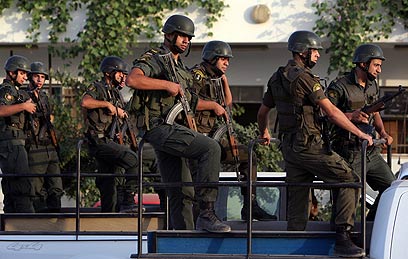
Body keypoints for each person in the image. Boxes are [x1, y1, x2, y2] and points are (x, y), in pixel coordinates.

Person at [256, 30, 373, 257]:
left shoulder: (276, 77)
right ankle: (342, 237)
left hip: (289, 149)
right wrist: (360, 133)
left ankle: (292, 243)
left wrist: (265, 132)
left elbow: (262, 112)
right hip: (309, 146)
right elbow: (331, 112)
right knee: (349, 179)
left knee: (298, 196)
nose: (318, 55)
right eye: (315, 51)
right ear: (302, 52)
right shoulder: (305, 79)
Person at [125, 14, 230, 233]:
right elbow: (133, 79)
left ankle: (182, 238)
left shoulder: (179, 66)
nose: (186, 41)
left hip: (171, 127)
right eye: (182, 36)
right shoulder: (156, 57)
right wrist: (165, 84)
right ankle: (207, 214)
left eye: (188, 38)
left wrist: (212, 105)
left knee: (180, 191)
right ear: (169, 35)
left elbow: (189, 101)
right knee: (211, 148)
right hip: (158, 125)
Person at [190, 40, 276, 221]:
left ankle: (250, 206)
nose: (227, 63)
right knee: (200, 179)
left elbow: (227, 103)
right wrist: (212, 105)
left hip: (216, 138)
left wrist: (225, 81)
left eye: (227, 60)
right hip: (199, 138)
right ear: (212, 58)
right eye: (223, 59)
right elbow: (188, 102)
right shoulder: (198, 75)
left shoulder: (217, 77)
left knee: (248, 155)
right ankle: (202, 215)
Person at [326, 43, 395, 221]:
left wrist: (383, 133)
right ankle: (341, 235)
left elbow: (375, 111)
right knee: (348, 195)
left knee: (391, 188)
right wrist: (351, 116)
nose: (379, 69)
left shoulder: (373, 85)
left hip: (370, 150)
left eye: (380, 65)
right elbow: (326, 115)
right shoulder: (340, 86)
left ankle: (370, 224)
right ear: (363, 64)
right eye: (376, 65)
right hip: (348, 151)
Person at [81, 56, 139, 213]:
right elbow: (85, 102)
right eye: (120, 73)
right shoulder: (97, 88)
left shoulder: (116, 94)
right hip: (99, 142)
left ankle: (113, 216)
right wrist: (107, 104)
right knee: (132, 160)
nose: (123, 77)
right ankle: (129, 200)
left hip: (112, 143)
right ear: (108, 73)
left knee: (110, 184)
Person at [25, 61, 64, 213]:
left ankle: (56, 218)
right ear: (30, 77)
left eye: (42, 77)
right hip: (35, 145)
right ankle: (39, 222)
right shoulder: (24, 96)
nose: (40, 80)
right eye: (36, 76)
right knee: (36, 187)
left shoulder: (44, 97)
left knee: (56, 185)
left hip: (49, 146)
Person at [0, 55, 36, 213]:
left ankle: (11, 226)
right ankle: (24, 224)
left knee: (13, 188)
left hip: (15, 142)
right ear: (11, 72)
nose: (25, 77)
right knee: (22, 186)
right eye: (21, 73)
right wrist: (24, 107)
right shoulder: (7, 90)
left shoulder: (17, 91)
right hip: (12, 143)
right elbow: (1, 110)